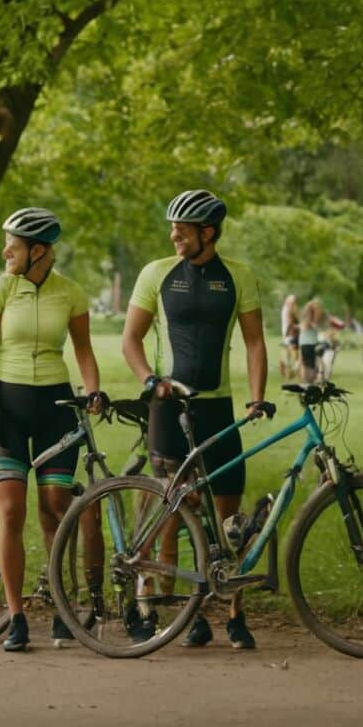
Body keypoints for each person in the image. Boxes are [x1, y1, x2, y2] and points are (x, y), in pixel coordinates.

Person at [121, 189, 271, 651]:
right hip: (169, 406)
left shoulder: (238, 276)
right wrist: (150, 380)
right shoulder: (156, 274)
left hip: (217, 407)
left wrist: (255, 398)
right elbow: (131, 339)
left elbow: (254, 343)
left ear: (208, 233)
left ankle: (233, 615)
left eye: (182, 230)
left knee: (229, 519)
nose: (174, 237)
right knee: (170, 511)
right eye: (173, 229)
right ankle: (173, 612)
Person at [0, 207, 102, 652]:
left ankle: (62, 606)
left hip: (56, 408)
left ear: (39, 251)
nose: (6, 250)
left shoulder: (70, 293)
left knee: (54, 508)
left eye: (15, 243)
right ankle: (16, 617)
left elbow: (83, 349)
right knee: (11, 511)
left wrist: (94, 390)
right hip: (7, 408)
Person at [279, 294, 299, 377]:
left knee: (290, 353)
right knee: (291, 353)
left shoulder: (287, 309)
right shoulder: (288, 310)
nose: (293, 304)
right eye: (291, 302)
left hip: (289, 335)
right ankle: (290, 371)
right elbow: (290, 323)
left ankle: (290, 371)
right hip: (290, 334)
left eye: (294, 302)